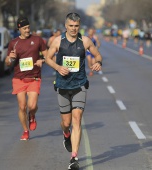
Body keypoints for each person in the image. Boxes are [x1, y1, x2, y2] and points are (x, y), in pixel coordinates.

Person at [45, 13, 102, 170]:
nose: (73, 29)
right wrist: (58, 67)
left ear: (79, 26)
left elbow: (97, 55)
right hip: (63, 86)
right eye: (71, 26)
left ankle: (74, 157)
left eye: (76, 26)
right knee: (66, 123)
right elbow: (48, 58)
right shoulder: (58, 41)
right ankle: (66, 134)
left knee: (77, 120)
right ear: (66, 26)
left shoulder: (85, 41)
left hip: (80, 85)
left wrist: (98, 63)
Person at [5, 16, 47, 140]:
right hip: (19, 79)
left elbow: (47, 55)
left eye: (28, 27)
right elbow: (8, 62)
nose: (27, 30)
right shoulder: (14, 43)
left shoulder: (38, 40)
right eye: (24, 28)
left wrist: (42, 60)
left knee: (32, 106)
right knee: (22, 106)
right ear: (19, 29)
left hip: (34, 77)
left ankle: (32, 115)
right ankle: (25, 130)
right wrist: (10, 58)